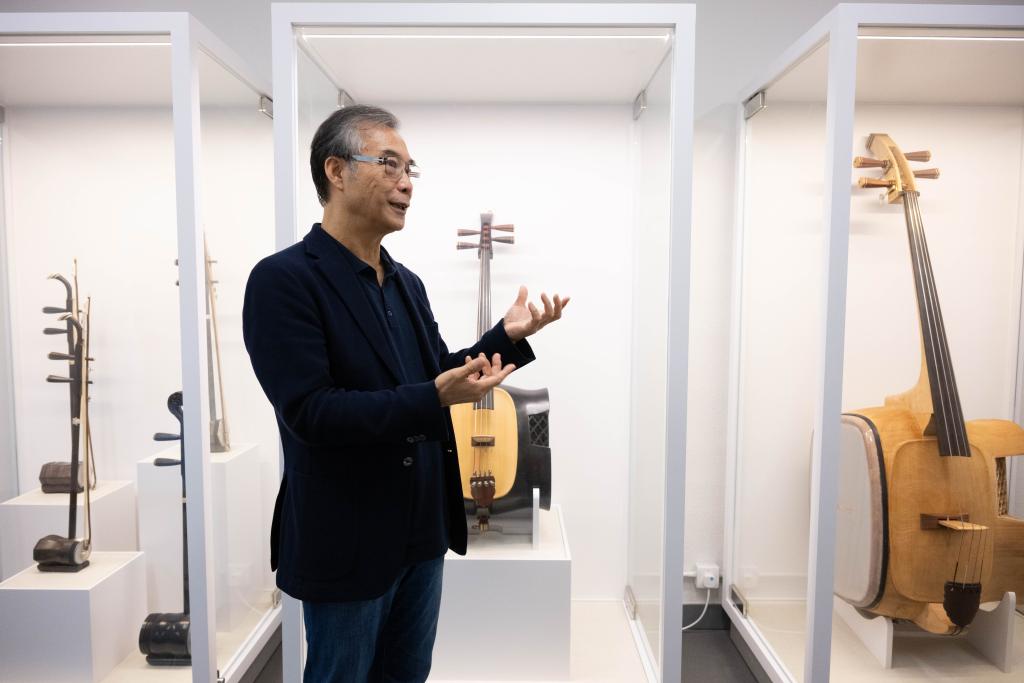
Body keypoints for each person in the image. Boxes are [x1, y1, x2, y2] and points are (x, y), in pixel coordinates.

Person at [242, 104, 568, 683]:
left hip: (421, 532)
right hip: (348, 539)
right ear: (336, 171)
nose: (406, 183)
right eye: (389, 164)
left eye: (410, 169)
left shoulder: (405, 283)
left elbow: (435, 372)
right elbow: (312, 412)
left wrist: (506, 338)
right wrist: (432, 398)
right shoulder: (284, 280)